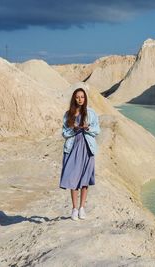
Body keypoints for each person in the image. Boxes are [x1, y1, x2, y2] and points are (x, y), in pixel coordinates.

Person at [60, 87, 100, 221]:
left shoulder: (91, 113)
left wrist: (88, 128)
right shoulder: (68, 115)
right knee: (73, 179)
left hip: (87, 148)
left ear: (85, 98)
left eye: (82, 97)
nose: (80, 99)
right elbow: (64, 133)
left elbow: (97, 130)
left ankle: (82, 208)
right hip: (73, 148)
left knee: (84, 179)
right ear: (74, 98)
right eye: (77, 97)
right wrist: (73, 129)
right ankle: (74, 208)